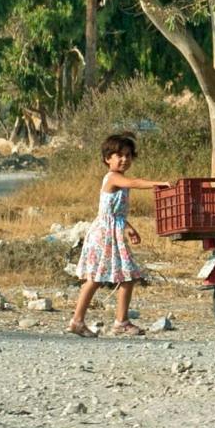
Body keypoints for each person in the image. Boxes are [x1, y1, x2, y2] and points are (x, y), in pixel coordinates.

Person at [68, 133, 166, 337]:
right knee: (95, 278)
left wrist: (129, 228)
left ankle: (121, 321)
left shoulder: (120, 181)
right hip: (103, 235)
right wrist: (159, 183)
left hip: (113, 233)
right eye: (119, 155)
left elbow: (114, 212)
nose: (124, 159)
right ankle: (78, 321)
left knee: (127, 277)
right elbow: (136, 183)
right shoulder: (113, 178)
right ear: (107, 159)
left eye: (128, 155)